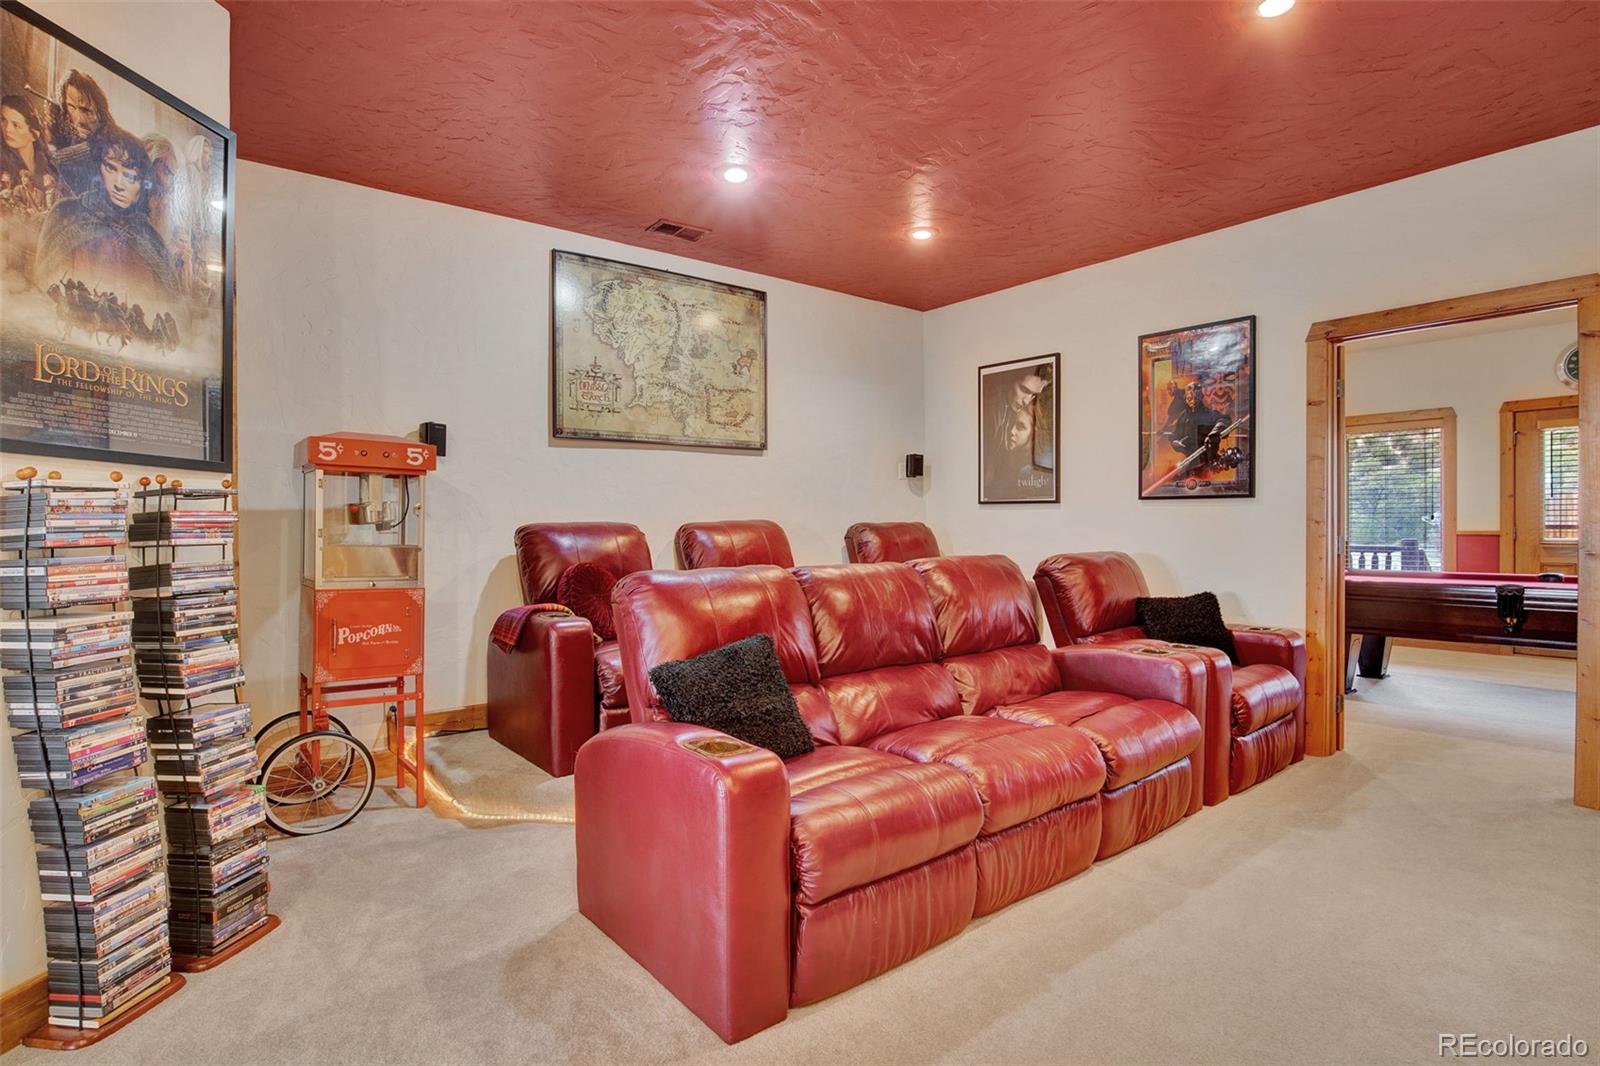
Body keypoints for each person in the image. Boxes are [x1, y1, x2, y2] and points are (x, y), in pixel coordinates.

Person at [35, 126, 177, 297]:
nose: (119, 185)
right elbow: (42, 285)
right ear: (98, 168)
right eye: (110, 168)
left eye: (131, 176)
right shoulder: (67, 213)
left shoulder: (151, 239)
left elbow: (171, 303)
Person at [48, 70, 113, 196]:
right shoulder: (73, 134)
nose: (79, 119)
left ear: (99, 109)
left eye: (86, 110)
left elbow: (57, 159)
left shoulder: (107, 138)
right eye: (71, 107)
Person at [1, 94, 57, 192]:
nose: (7, 129)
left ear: (33, 134)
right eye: (3, 120)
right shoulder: (3, 165)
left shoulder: (48, 163)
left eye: (16, 125)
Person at [1167, 379, 1229, 467]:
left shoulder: (1208, 414)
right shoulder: (1183, 417)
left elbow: (1224, 420)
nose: (1190, 399)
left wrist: (1214, 433)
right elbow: (1175, 435)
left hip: (1209, 463)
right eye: (1188, 397)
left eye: (1193, 395)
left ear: (1199, 396)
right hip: (1191, 463)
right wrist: (1175, 442)